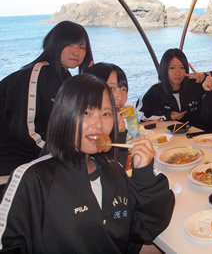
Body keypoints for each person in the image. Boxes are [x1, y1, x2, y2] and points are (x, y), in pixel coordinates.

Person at [0, 74, 174, 253]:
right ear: (64, 114)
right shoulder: (33, 179)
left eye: (106, 113)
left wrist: (144, 173)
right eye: (86, 112)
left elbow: (145, 227)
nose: (98, 123)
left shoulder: (113, 172)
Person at [0, 21, 93, 178]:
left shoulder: (64, 77)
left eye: (82, 47)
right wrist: (65, 155)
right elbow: (29, 132)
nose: (76, 52)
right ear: (55, 44)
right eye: (70, 45)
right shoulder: (37, 73)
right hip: (13, 170)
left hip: (38, 162)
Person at [139, 48, 212, 131]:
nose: (177, 73)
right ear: (164, 69)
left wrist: (204, 77)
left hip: (198, 135)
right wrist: (168, 115)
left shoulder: (196, 83)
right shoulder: (156, 90)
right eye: (172, 68)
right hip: (169, 137)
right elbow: (140, 114)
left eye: (182, 67)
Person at [85, 62, 130, 167]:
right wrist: (120, 135)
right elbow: (115, 173)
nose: (120, 97)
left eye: (124, 89)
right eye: (111, 88)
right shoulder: (86, 132)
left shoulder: (110, 125)